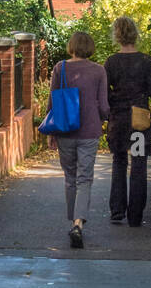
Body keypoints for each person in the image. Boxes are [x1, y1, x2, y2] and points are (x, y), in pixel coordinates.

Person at [47, 29, 110, 248]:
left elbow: (53, 101)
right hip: (90, 131)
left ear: (71, 46)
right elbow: (103, 106)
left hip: (65, 130)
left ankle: (73, 222)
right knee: (85, 178)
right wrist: (103, 119)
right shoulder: (99, 71)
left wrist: (52, 131)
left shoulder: (59, 68)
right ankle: (78, 223)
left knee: (70, 177)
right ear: (90, 48)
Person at [104, 15, 151, 227]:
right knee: (138, 165)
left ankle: (117, 210)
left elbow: (104, 94)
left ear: (117, 36)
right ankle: (135, 216)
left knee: (119, 162)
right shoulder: (146, 61)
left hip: (118, 119)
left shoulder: (111, 62)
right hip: (139, 120)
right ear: (135, 34)